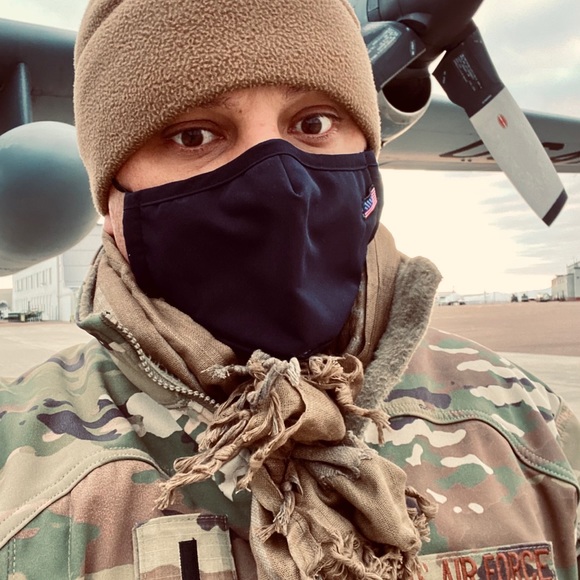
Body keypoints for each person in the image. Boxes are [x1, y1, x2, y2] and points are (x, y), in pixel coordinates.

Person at [0, 0, 578, 578]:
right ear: (112, 203)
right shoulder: (17, 466)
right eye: (194, 134)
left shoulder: (530, 424)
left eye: (314, 124)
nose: (284, 186)